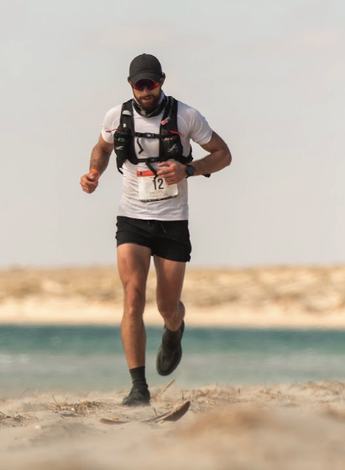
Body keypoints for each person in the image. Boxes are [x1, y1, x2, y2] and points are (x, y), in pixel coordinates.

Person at [79, 53, 232, 406]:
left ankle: (174, 330)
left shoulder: (186, 116)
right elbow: (101, 148)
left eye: (151, 83)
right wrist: (93, 174)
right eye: (139, 84)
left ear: (162, 80)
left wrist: (188, 170)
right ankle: (138, 387)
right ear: (130, 84)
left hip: (172, 220)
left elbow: (223, 154)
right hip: (131, 216)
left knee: (166, 306)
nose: (145, 90)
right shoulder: (115, 117)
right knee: (133, 295)